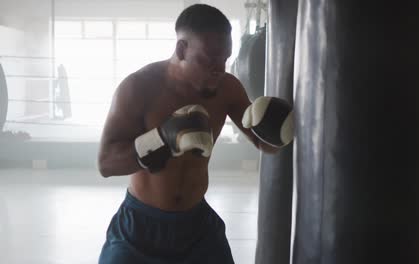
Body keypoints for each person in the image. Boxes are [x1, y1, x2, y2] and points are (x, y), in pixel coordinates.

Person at [97, 4, 293, 264]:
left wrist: (276, 130)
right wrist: (162, 138)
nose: (219, 69)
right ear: (181, 49)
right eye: (209, 59)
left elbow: (264, 144)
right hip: (140, 226)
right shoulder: (138, 88)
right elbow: (106, 163)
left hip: (198, 228)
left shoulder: (227, 89)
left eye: (224, 59)